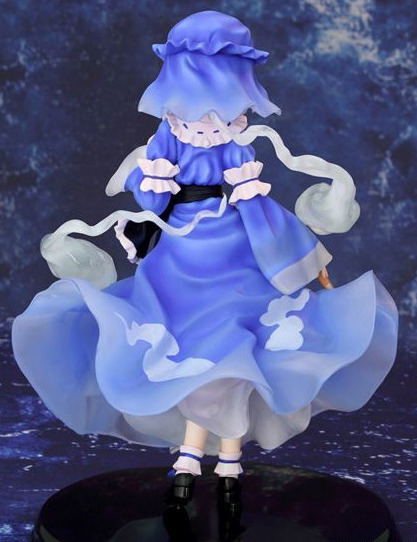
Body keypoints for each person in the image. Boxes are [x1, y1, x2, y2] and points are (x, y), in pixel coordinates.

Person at [11, 11, 398, 510]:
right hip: (175, 264)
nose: (205, 120)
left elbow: (260, 208)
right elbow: (150, 195)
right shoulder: (166, 140)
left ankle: (222, 458)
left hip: (233, 260)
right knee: (193, 354)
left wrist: (302, 258)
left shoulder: (236, 148)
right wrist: (152, 186)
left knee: (233, 354)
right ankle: (198, 456)